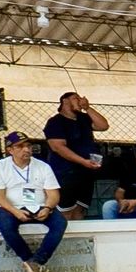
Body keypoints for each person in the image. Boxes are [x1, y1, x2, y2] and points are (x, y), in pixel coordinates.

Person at [0, 131, 66, 272]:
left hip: (39, 206)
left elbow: (53, 194)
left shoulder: (43, 166)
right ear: (10, 150)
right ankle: (28, 259)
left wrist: (48, 208)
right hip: (11, 207)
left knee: (60, 222)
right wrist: (15, 212)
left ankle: (37, 261)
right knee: (5, 224)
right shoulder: (0, 166)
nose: (26, 150)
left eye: (28, 146)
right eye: (20, 146)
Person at [43, 90, 108, 221]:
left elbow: (103, 126)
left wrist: (87, 108)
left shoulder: (83, 118)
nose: (80, 100)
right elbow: (58, 147)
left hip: (85, 172)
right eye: (75, 98)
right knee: (66, 210)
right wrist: (82, 161)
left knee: (80, 209)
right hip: (65, 172)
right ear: (65, 101)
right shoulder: (56, 122)